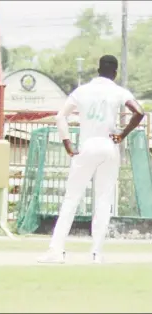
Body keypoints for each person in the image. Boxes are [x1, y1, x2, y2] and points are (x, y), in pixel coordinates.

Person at [38, 55, 145, 264]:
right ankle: (96, 252)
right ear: (115, 72)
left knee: (71, 198)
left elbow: (61, 116)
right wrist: (122, 134)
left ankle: (56, 250)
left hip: (87, 145)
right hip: (109, 146)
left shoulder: (82, 90)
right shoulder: (118, 91)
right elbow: (139, 112)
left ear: (97, 70)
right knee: (104, 199)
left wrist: (68, 143)